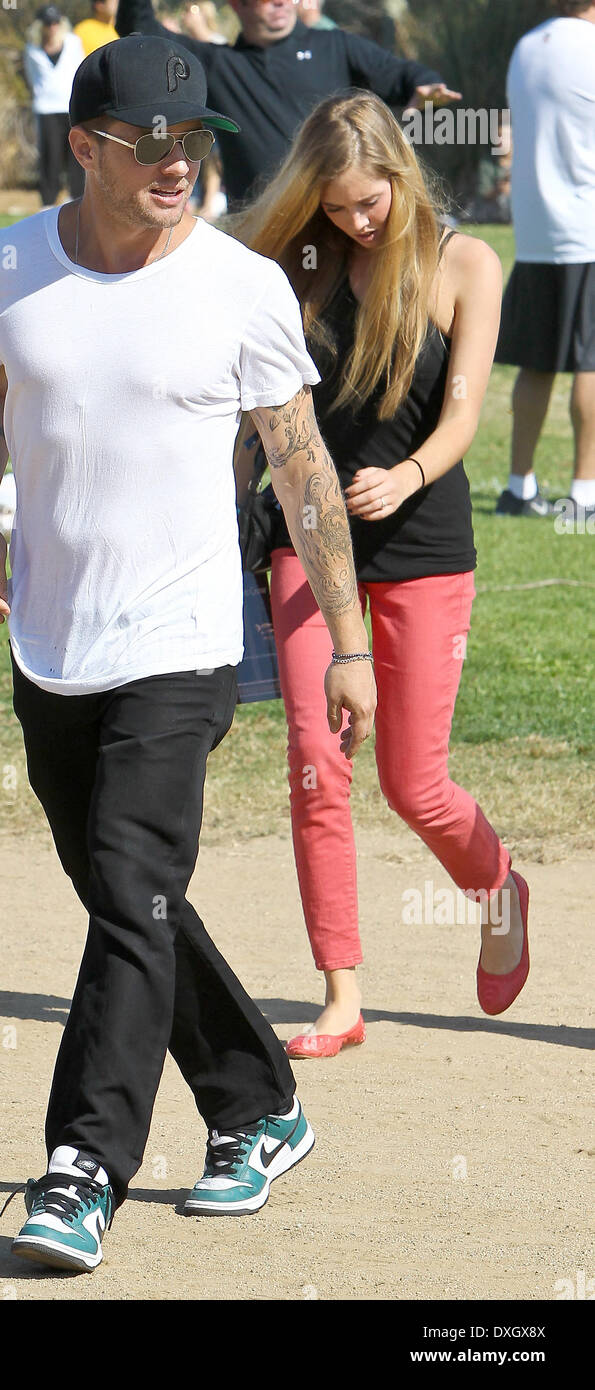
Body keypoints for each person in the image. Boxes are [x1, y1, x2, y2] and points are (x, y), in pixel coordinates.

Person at [0, 34, 376, 1272]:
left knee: (126, 884)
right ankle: (258, 1103)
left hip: (186, 642)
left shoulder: (240, 288)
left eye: (195, 144)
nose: (179, 164)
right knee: (126, 894)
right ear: (82, 147)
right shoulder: (2, 266)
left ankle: (82, 1165)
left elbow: (302, 471)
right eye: (149, 144)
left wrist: (347, 641)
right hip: (51, 639)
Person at [236, 91, 531, 1058]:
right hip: (305, 535)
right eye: (335, 207)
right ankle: (340, 995)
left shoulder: (464, 262)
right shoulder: (293, 265)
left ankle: (498, 891)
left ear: (402, 176)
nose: (356, 222)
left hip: (421, 544)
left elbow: (463, 414)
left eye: (370, 203)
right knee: (317, 766)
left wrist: (404, 476)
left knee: (414, 785)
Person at [115, 0, 460, 208]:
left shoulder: (334, 45)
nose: (281, 2)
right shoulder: (218, 65)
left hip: (335, 222)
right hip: (260, 233)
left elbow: (399, 73)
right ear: (238, 5)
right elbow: (138, 29)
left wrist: (423, 85)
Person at [494, 0, 595, 521]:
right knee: (591, 363)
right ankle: (584, 494)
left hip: (536, 231)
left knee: (537, 362)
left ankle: (519, 487)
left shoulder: (526, 47)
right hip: (588, 229)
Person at [23, 6, 86, 208]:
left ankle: (77, 198)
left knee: (76, 155)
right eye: (48, 23)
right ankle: (48, 202)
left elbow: (81, 70)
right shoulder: (32, 48)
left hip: (71, 107)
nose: (52, 27)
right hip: (46, 108)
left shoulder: (73, 43)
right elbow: (32, 78)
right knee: (50, 156)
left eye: (56, 22)